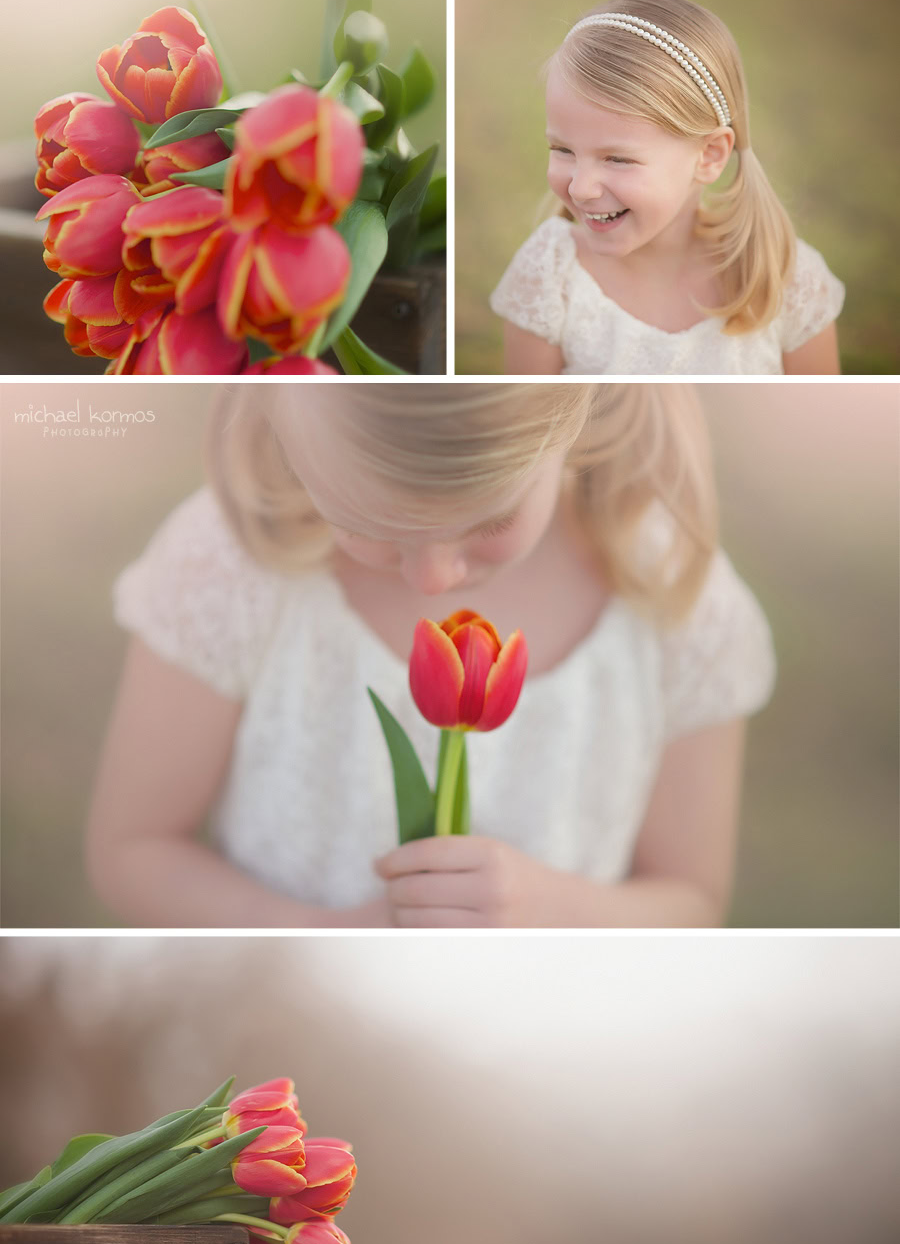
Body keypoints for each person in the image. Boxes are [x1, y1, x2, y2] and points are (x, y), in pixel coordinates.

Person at [85, 378, 775, 929]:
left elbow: (692, 899)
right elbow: (133, 851)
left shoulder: (674, 600)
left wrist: (556, 910)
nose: (432, 580)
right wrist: (316, 932)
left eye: (492, 520)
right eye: (363, 520)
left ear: (577, 405)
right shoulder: (232, 569)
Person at [490, 0, 845, 373]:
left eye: (617, 158)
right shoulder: (548, 275)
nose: (580, 188)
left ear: (709, 156)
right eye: (562, 149)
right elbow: (530, 422)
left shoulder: (785, 278)